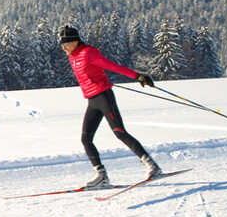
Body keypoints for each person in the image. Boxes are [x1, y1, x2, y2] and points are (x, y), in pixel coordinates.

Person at [59, 25, 162, 188]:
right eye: (61, 45)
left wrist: (138, 76)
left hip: (103, 96)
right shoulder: (73, 57)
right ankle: (101, 176)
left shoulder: (89, 53)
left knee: (119, 132)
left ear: (75, 41)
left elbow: (112, 66)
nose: (63, 48)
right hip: (92, 100)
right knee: (86, 139)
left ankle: (152, 166)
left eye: (65, 44)